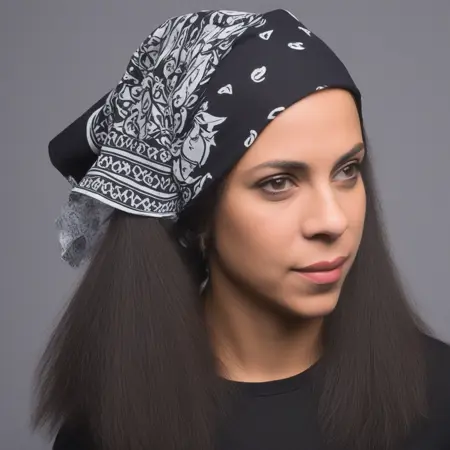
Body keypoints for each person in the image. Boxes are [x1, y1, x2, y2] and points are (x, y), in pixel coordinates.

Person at [31, 8, 450, 450]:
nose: (333, 221)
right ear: (199, 215)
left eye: (347, 170)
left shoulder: (439, 398)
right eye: (278, 183)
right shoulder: (105, 433)